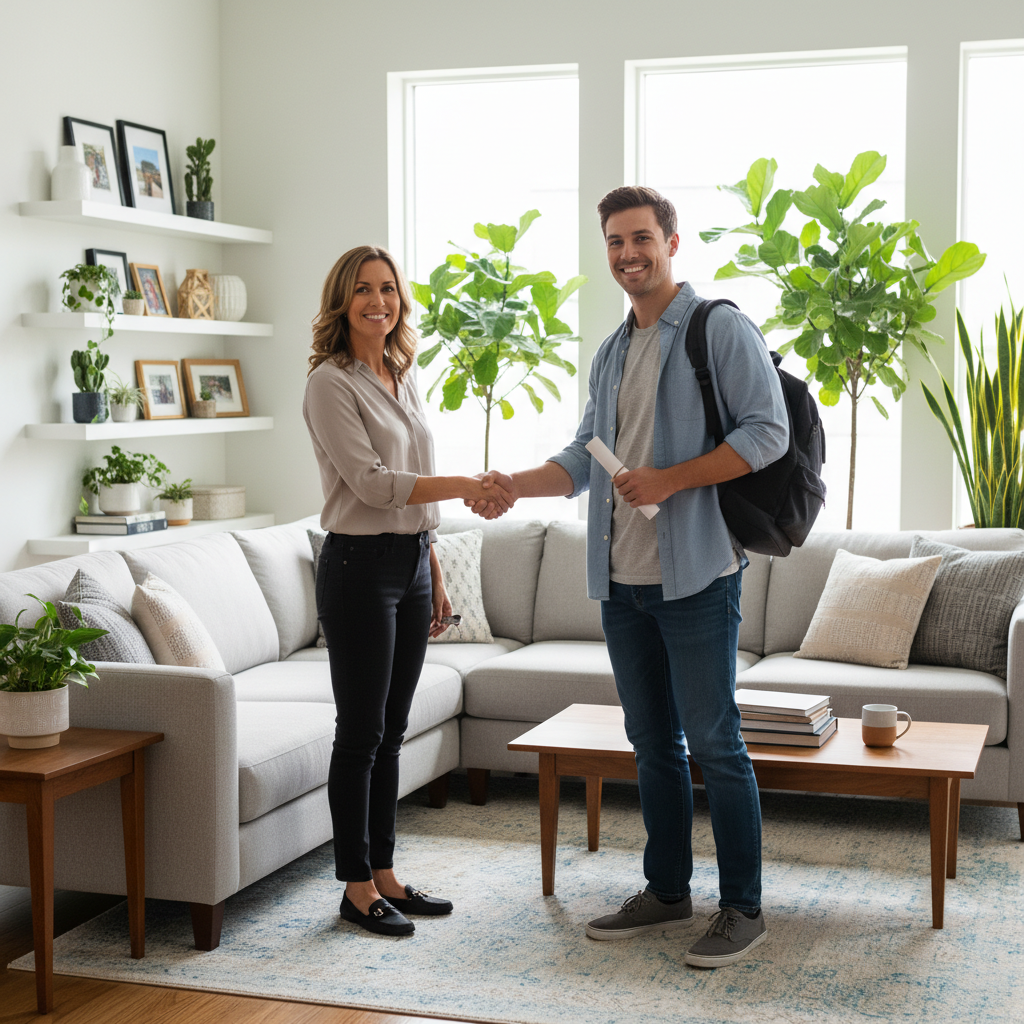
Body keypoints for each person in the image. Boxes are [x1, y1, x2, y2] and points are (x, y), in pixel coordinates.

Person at [469, 186, 788, 967]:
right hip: (621, 582)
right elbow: (584, 459)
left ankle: (743, 908)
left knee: (718, 744)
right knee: (652, 744)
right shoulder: (611, 352)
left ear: (672, 241)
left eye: (640, 238)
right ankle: (667, 892)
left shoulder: (718, 329)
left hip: (698, 578)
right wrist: (514, 480)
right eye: (614, 242)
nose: (627, 254)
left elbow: (767, 432)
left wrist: (671, 479)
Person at [303, 245, 512, 937]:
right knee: (360, 733)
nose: (378, 302)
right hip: (358, 569)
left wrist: (437, 569)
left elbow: (413, 487)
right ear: (341, 301)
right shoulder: (329, 383)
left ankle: (386, 873)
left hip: (412, 565)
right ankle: (355, 885)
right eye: (362, 290)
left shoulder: (400, 371)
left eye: (388, 289)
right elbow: (371, 485)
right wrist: (469, 485)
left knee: (392, 733)